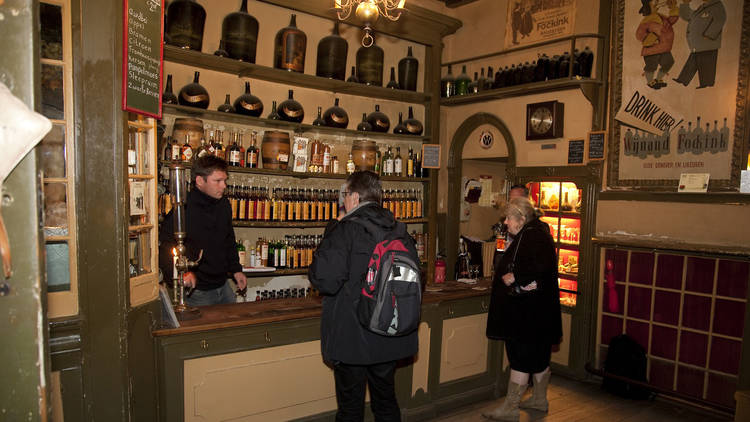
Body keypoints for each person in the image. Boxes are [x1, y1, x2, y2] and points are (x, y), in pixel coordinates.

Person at [308, 171, 418, 422]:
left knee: (350, 407)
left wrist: (332, 228)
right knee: (386, 401)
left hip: (353, 334)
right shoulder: (399, 229)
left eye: (344, 195)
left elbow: (323, 280)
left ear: (354, 198)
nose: (342, 201)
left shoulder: (345, 230)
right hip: (390, 329)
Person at [484, 197, 562, 421]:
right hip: (539, 313)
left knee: (519, 357)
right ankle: (539, 399)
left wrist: (514, 276)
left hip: (525, 313)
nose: (506, 222)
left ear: (521, 217)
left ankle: (510, 408)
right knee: (538, 356)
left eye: (508, 218)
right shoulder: (538, 232)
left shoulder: (531, 236)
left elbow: (538, 267)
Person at [159, 155, 247, 307]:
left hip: (223, 285)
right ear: (200, 181)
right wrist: (182, 274)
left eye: (225, 181)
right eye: (218, 181)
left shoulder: (224, 205)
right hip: (197, 290)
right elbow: (165, 247)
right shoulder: (183, 208)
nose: (224, 186)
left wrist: (236, 270)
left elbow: (229, 240)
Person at [672, 0, 726, 89]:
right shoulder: (703, 7)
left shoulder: (717, 6)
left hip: (708, 44)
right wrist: (685, 4)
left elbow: (720, 20)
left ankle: (706, 83)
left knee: (707, 63)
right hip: (698, 44)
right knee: (693, 62)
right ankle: (683, 79)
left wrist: (709, 35)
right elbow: (689, 16)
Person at [635, 0, 679, 90]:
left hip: (664, 48)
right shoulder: (647, 20)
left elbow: (672, 20)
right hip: (652, 49)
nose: (657, 3)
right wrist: (649, 38)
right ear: (648, 6)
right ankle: (650, 81)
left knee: (669, 62)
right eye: (654, 2)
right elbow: (639, 34)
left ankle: (659, 79)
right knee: (651, 65)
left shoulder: (661, 17)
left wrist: (673, 7)